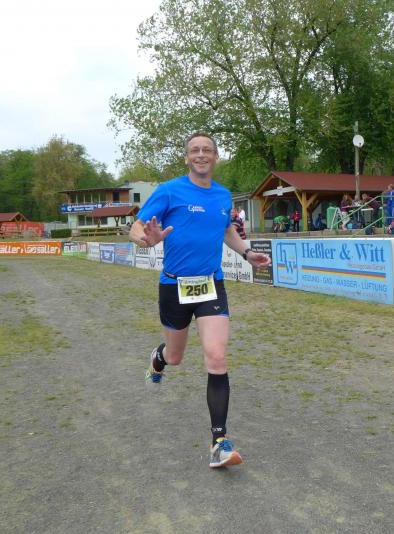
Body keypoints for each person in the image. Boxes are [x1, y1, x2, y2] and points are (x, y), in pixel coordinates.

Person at [129, 132, 271, 469]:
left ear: (216, 157)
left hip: (210, 285)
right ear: (186, 157)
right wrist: (146, 240)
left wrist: (246, 252)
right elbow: (137, 227)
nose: (201, 154)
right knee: (175, 357)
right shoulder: (169, 191)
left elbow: (226, 230)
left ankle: (219, 443)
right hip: (174, 286)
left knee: (217, 357)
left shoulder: (222, 195)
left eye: (207, 149)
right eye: (195, 150)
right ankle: (159, 358)